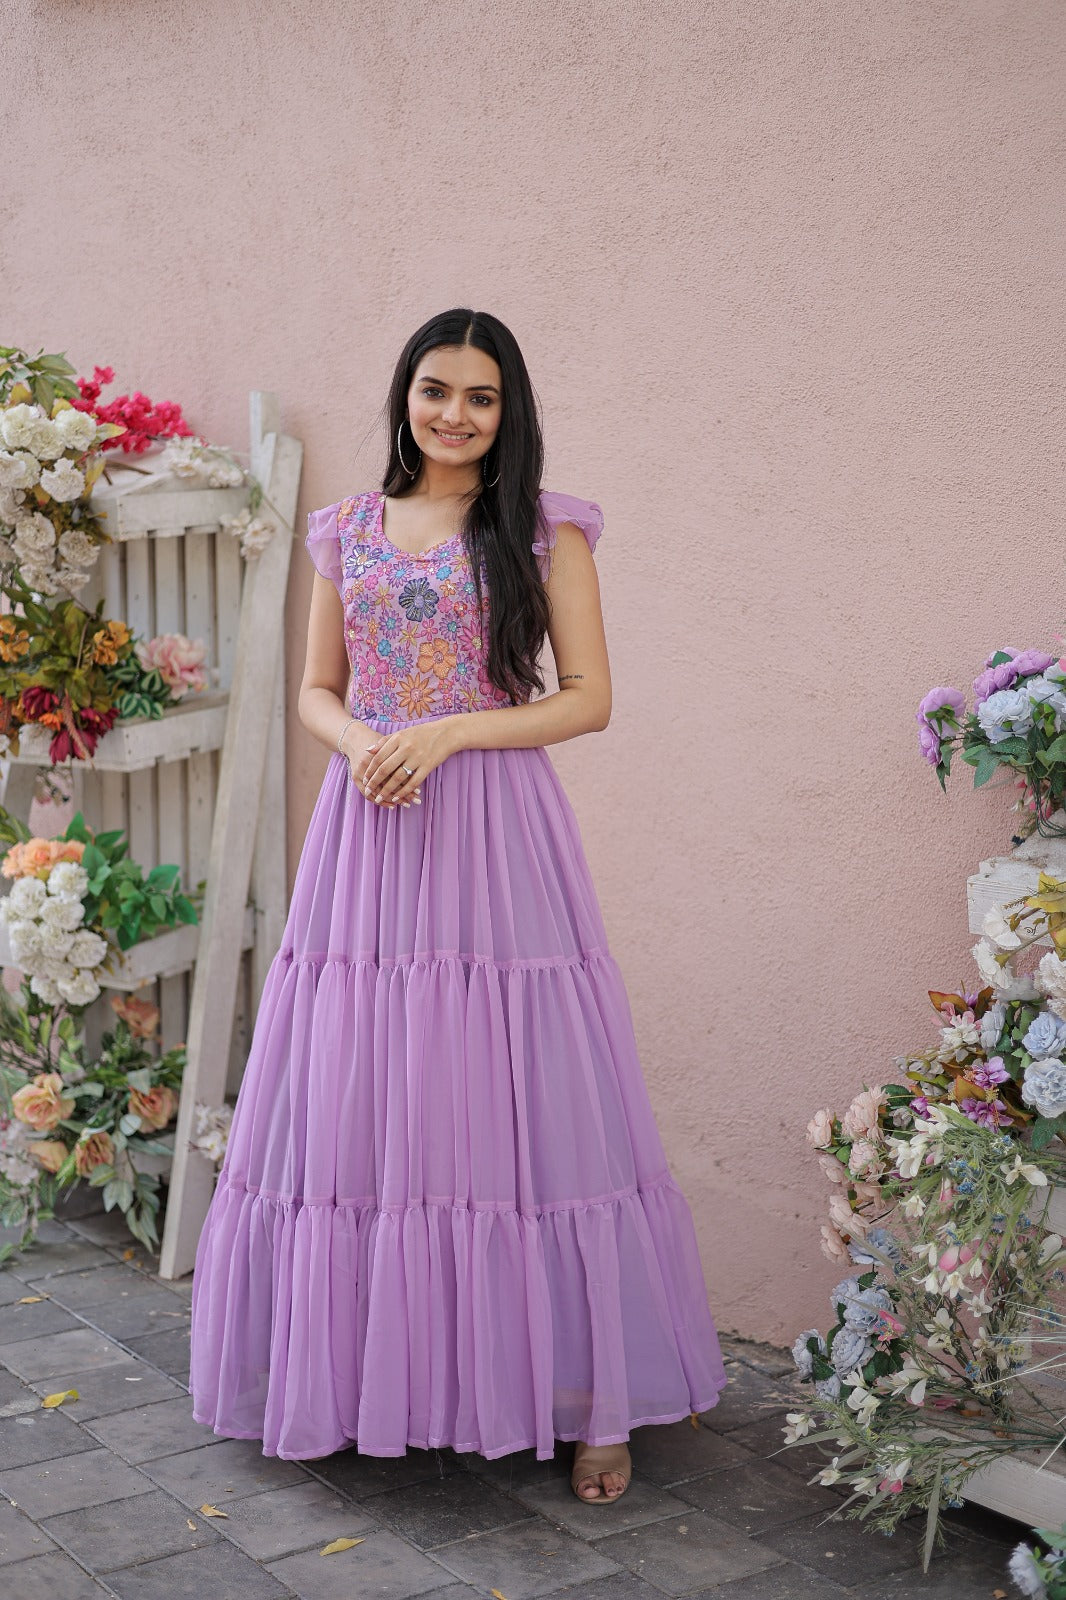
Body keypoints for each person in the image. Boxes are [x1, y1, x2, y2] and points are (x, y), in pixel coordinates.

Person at [189, 307, 727, 1504]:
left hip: (496, 833)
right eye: (437, 389)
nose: (454, 413)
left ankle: (594, 1398)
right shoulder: (345, 531)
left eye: (481, 397)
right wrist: (370, 742)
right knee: (370, 1095)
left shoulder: (541, 531)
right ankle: (355, 1379)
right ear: (405, 394)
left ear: (508, 413)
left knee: (530, 1097)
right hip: (368, 834)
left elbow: (585, 699)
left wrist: (448, 733)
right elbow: (316, 691)